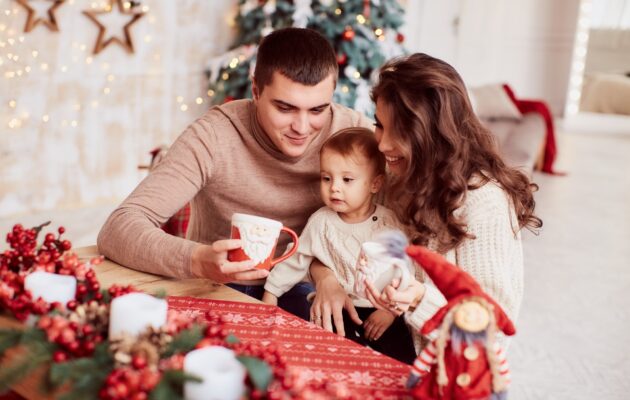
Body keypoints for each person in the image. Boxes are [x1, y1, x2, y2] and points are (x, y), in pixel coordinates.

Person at [97, 28, 373, 321]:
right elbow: (118, 228)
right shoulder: (214, 135)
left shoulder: (354, 134)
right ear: (255, 91)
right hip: (216, 286)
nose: (302, 127)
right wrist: (197, 260)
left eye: (318, 110)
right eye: (285, 108)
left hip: (308, 290)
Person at [309, 53, 542, 347]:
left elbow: (490, 329)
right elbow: (332, 240)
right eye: (380, 125)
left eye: (400, 131)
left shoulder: (484, 203)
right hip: (379, 334)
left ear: (432, 133)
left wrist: (417, 300)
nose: (382, 144)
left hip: (443, 369)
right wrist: (326, 279)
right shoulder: (394, 174)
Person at [260, 128, 416, 364]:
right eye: (326, 178)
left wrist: (390, 312)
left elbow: (406, 270)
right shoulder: (321, 222)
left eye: (347, 180)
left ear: (375, 184)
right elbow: (296, 259)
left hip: (384, 312)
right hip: (338, 307)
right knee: (330, 357)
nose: (334, 187)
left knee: (401, 363)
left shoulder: (389, 223)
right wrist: (270, 295)